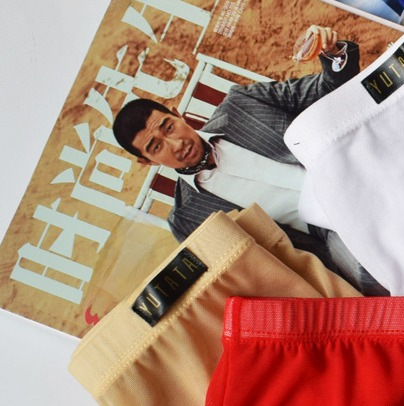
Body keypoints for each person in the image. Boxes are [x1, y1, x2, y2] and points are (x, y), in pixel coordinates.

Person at [112, 25, 386, 294]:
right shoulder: (187, 220)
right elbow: (248, 278)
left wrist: (334, 53)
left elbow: (323, 89)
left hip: (354, 172)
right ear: (148, 161)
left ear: (177, 114)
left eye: (169, 127)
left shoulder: (239, 104)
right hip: (327, 235)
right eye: (156, 146)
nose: (176, 144)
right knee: (372, 268)